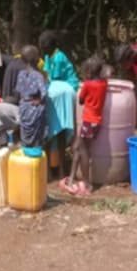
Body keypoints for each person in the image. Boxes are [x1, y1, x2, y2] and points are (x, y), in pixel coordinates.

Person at [60, 55, 107, 195]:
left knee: (83, 150)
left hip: (88, 121)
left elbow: (81, 100)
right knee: (77, 147)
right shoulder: (104, 83)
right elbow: (109, 71)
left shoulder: (88, 84)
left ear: (90, 71)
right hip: (97, 121)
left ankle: (87, 184)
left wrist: (85, 94)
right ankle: (71, 178)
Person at [39, 30, 79, 177]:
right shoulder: (48, 56)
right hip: (56, 89)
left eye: (45, 47)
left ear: (52, 46)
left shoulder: (59, 57)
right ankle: (52, 166)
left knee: (59, 128)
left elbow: (55, 77)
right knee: (52, 128)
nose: (44, 50)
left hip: (66, 88)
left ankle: (59, 168)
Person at [16, 46, 47, 147]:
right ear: (36, 59)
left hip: (23, 108)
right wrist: (39, 101)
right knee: (36, 140)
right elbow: (44, 93)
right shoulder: (38, 76)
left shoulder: (21, 74)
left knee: (25, 138)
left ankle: (26, 153)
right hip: (34, 109)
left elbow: (19, 92)